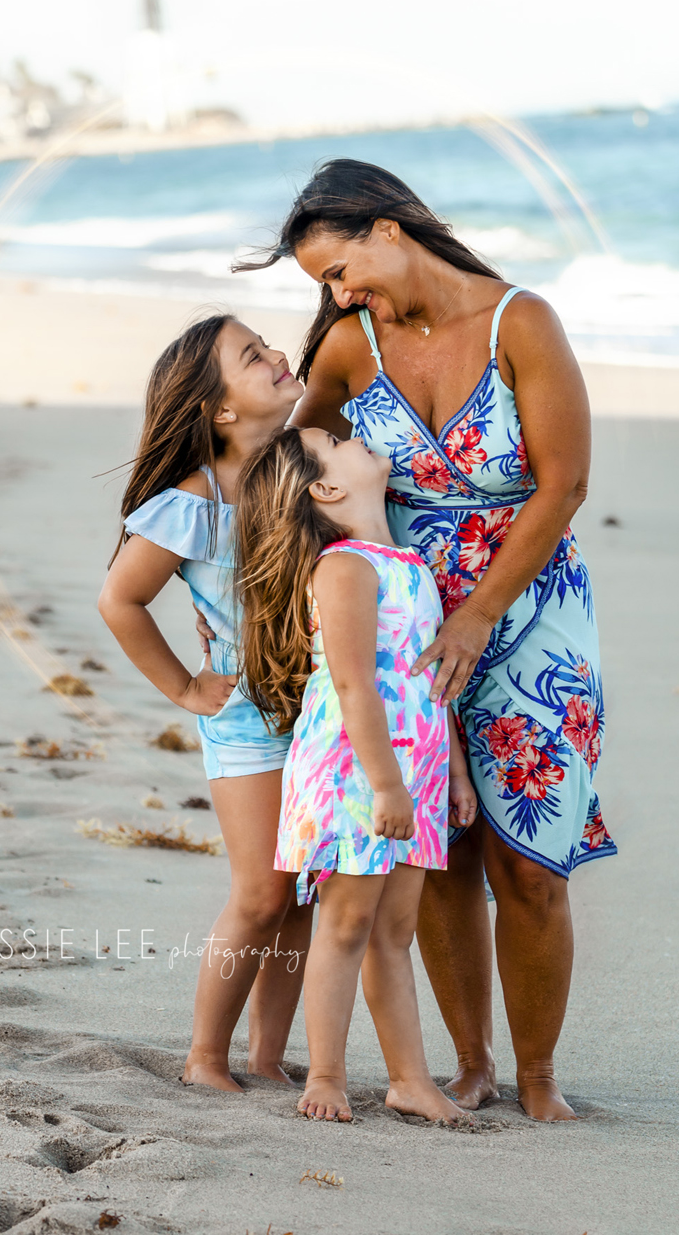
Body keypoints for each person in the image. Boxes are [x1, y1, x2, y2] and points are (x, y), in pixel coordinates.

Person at [235, 158, 617, 1122]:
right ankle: (469, 1063)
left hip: (525, 607)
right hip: (396, 611)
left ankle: (538, 1079)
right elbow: (290, 466)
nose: (335, 294)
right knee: (437, 846)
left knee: (529, 857)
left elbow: (563, 481)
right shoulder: (349, 345)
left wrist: (481, 608)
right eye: (322, 283)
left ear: (390, 229)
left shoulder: (519, 321)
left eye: (338, 270)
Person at [234, 425, 478, 1123]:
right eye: (336, 439)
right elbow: (353, 686)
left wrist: (452, 772)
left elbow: (431, 683)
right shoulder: (344, 567)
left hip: (414, 771)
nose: (356, 436)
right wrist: (385, 785)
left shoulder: (405, 561)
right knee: (344, 923)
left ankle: (409, 1079)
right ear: (326, 488)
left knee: (394, 930)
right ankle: (328, 1076)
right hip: (358, 775)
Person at [97, 313, 312, 1092]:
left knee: (300, 895)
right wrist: (186, 687)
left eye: (269, 344)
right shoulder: (195, 502)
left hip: (321, 713)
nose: (279, 355)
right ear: (219, 410)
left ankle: (265, 1054)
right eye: (253, 356)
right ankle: (206, 1055)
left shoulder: (305, 462)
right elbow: (121, 599)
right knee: (260, 891)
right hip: (248, 720)